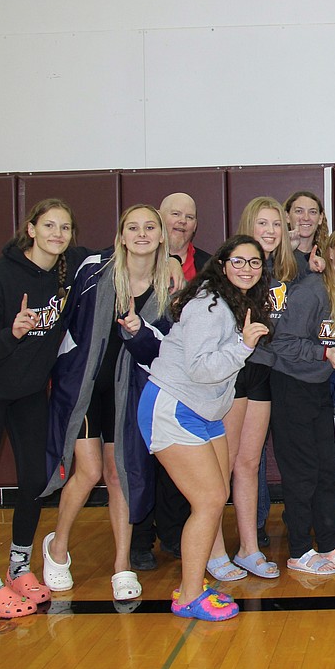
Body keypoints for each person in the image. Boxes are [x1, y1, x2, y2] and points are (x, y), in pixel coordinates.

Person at [0, 198, 85, 618]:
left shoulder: (67, 271)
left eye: (65, 228)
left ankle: (18, 567)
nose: (57, 235)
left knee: (33, 481)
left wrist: (172, 262)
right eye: (49, 226)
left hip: (29, 393)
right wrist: (11, 333)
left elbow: (113, 255)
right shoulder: (0, 278)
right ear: (31, 229)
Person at [41, 204, 172, 602]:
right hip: (84, 390)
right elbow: (62, 323)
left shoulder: (170, 286)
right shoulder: (94, 272)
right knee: (89, 470)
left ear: (161, 236)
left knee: (119, 475)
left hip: (127, 393)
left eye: (150, 227)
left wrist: (139, 332)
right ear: (121, 236)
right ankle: (57, 547)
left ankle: (121, 564)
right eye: (133, 227)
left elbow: (162, 351)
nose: (142, 234)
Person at [138, 235, 271, 621]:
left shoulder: (232, 302)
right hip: (174, 406)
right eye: (239, 261)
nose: (247, 269)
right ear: (223, 264)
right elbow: (199, 368)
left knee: (216, 495)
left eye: (255, 263)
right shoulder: (209, 306)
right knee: (210, 500)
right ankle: (189, 596)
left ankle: (194, 583)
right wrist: (242, 347)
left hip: (204, 411)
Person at [268, 227, 335, 574]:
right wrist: (322, 354)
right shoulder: (310, 291)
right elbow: (281, 342)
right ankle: (300, 549)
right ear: (328, 252)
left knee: (325, 470)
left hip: (317, 389)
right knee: (301, 474)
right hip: (291, 386)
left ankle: (330, 545)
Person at [202, 197, 301, 581]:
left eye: (277, 224)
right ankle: (212, 551)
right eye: (263, 223)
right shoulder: (230, 271)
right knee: (221, 465)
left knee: (248, 462)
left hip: (261, 371)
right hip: (231, 374)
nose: (271, 231)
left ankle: (248, 548)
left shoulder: (281, 271)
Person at [130, 192, 209, 571]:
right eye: (174, 214)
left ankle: (176, 535)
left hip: (190, 382)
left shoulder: (209, 266)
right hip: (141, 376)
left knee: (183, 460)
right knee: (140, 463)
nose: (181, 221)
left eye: (189, 216)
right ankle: (139, 540)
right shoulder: (136, 265)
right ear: (159, 221)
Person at [285, 191, 329, 275]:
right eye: (299, 211)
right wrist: (286, 251)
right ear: (287, 216)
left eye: (312, 212)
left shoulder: (328, 258)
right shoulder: (275, 256)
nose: (306, 218)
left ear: (320, 218)